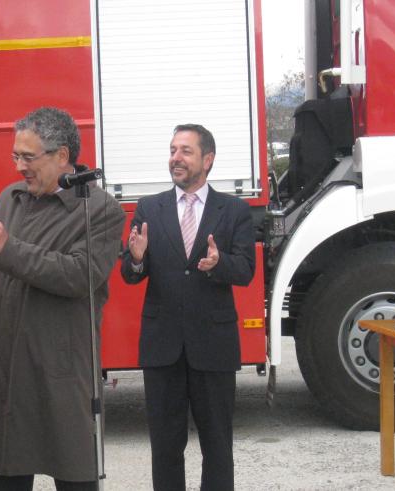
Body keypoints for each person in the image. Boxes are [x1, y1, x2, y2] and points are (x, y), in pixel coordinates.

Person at [0, 107, 125, 491]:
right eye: (15, 156)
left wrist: (9, 247)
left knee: (75, 472)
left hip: (60, 370)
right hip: (8, 365)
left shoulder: (98, 209)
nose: (18, 167)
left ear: (62, 155)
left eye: (28, 157)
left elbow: (80, 275)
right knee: (3, 475)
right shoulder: (12, 197)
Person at [121, 124, 255, 491]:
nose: (175, 158)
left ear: (207, 160)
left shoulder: (235, 210)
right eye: (172, 150)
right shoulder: (150, 208)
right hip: (162, 346)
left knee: (217, 447)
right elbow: (131, 274)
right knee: (165, 447)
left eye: (185, 151)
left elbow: (245, 271)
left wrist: (219, 263)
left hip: (212, 346)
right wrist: (136, 258)